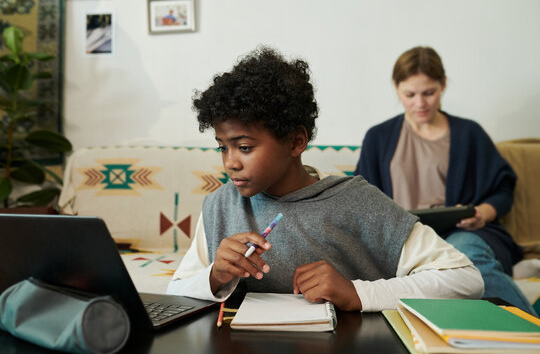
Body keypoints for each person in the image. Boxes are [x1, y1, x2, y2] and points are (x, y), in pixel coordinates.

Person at [167, 46, 483, 312]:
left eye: (244, 147)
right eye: (223, 147)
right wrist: (214, 276)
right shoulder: (221, 205)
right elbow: (176, 290)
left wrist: (356, 293)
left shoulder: (357, 202)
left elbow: (465, 279)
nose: (230, 162)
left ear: (295, 142)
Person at [354, 46, 536, 315]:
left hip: (465, 233)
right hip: (405, 239)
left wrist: (482, 213)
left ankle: (532, 336)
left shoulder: (469, 133)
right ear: (396, 88)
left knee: (468, 262)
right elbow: (362, 200)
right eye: (410, 94)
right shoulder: (378, 138)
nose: (420, 103)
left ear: (443, 85)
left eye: (429, 93)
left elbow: (503, 188)